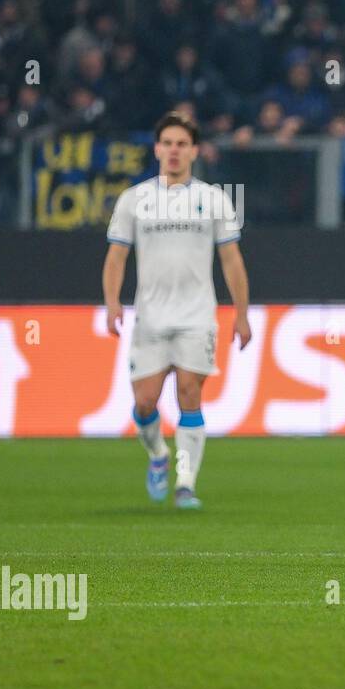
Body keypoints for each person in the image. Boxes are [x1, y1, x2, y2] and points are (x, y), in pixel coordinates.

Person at [102, 111, 252, 509]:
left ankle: (186, 482)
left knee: (189, 393)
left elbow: (232, 260)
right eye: (167, 143)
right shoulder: (134, 200)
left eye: (181, 144)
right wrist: (113, 302)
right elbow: (116, 257)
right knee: (145, 404)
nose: (174, 150)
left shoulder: (215, 199)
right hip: (150, 318)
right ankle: (158, 457)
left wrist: (241, 313)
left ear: (194, 151)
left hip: (196, 317)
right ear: (156, 149)